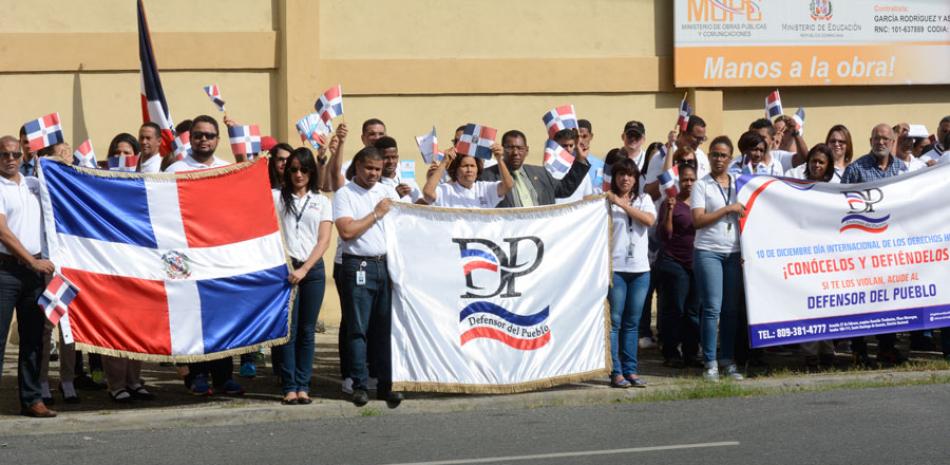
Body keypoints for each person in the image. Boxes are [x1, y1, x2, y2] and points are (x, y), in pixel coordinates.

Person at [164, 115, 244, 396]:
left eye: (209, 135)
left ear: (217, 139)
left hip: (218, 256)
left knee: (221, 316)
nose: (204, 140)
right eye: (198, 135)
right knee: (192, 317)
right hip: (186, 257)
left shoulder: (228, 170)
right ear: (191, 138)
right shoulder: (175, 170)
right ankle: (197, 376)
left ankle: (224, 376)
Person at [333, 146, 403, 408]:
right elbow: (347, 231)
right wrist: (376, 214)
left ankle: (386, 385)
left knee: (384, 330)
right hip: (357, 266)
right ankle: (359, 384)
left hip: (384, 265)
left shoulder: (386, 192)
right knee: (358, 329)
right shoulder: (344, 194)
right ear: (358, 167)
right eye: (368, 169)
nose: (373, 174)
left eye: (377, 169)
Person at [841, 124, 908, 367]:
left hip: (890, 248)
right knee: (861, 298)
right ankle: (859, 350)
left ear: (893, 142)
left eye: (885, 138)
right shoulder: (856, 168)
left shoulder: (902, 168)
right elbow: (841, 203)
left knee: (888, 298)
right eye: (877, 138)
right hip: (862, 247)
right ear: (870, 140)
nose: (881, 142)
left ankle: (886, 348)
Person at [0, 135, 58, 417]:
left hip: (34, 271)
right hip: (6, 270)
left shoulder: (35, 184)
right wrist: (31, 262)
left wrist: (59, 160)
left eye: (15, 154)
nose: (10, 159)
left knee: (33, 338)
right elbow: (3, 232)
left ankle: (32, 399)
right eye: (4, 155)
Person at [274, 147, 332, 405]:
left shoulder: (322, 201)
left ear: (311, 171)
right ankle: (289, 386)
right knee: (289, 331)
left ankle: (303, 385)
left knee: (307, 331)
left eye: (304, 169)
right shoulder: (276, 197)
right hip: (285, 270)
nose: (298, 174)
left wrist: (305, 269)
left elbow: (324, 240)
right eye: (293, 169)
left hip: (312, 270)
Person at [690, 135, 744, 382]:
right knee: (712, 308)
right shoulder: (702, 185)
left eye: (723, 155)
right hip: (708, 251)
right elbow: (698, 220)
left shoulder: (739, 183)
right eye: (714, 154)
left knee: (731, 309)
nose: (719, 159)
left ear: (730, 158)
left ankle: (728, 359)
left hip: (733, 252)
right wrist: (726, 209)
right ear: (709, 157)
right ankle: (710, 361)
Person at [605, 158, 655, 388]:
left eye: (630, 175)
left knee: (632, 323)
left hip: (640, 270)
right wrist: (608, 200)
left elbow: (648, 220)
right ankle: (615, 371)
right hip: (616, 270)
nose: (625, 179)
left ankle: (631, 369)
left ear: (636, 179)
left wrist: (622, 204)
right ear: (614, 178)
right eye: (621, 174)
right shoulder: (606, 200)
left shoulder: (644, 199)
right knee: (615, 321)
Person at [655, 160, 701, 368]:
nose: (689, 183)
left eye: (692, 179)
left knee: (693, 310)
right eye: (685, 179)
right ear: (679, 181)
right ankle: (671, 352)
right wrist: (669, 213)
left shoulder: (702, 202)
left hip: (697, 262)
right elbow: (664, 235)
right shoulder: (670, 202)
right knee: (675, 309)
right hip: (675, 262)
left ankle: (692, 352)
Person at [479, 129, 589, 207]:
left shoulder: (541, 173)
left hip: (540, 235)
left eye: (520, 148)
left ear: (527, 151)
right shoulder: (487, 176)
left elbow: (564, 189)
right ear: (502, 149)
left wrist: (580, 159)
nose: (515, 153)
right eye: (510, 148)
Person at [644, 115, 711, 200]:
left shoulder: (702, 157)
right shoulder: (661, 156)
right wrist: (670, 174)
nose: (700, 142)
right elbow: (648, 193)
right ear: (683, 132)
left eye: (702, 138)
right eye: (696, 138)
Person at [423, 143, 511, 208]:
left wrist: (499, 159)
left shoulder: (484, 188)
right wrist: (443, 162)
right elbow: (428, 194)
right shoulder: (446, 189)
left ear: (478, 170)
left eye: (472, 166)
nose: (469, 170)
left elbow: (508, 185)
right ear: (456, 170)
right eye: (465, 166)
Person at [551, 129, 594, 204]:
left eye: (571, 145)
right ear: (555, 146)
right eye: (564, 146)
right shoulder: (547, 171)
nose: (568, 149)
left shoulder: (582, 172)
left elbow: (588, 198)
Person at [374, 136, 423, 203]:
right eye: (385, 158)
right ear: (376, 158)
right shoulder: (372, 182)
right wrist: (396, 195)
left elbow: (420, 203)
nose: (391, 161)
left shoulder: (406, 174)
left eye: (394, 157)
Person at [577, 119, 605, 193]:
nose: (580, 140)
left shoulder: (600, 165)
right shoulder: (566, 162)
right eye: (577, 136)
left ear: (591, 136)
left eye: (584, 136)